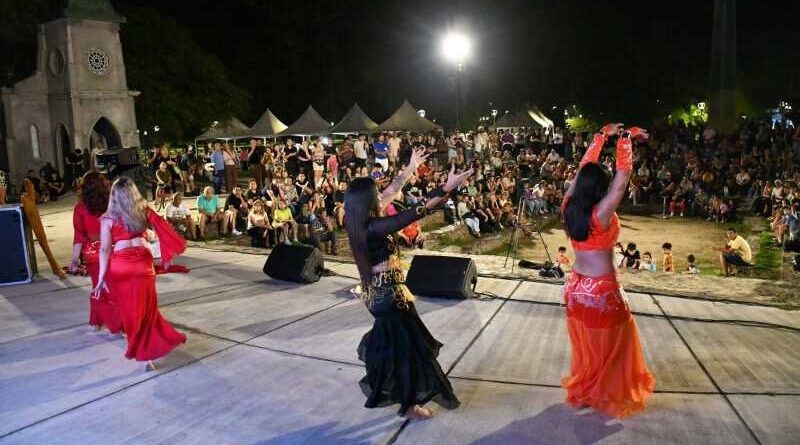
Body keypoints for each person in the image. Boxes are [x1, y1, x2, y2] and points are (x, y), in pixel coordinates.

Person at [345, 147, 471, 420]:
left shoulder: (358, 221)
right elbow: (415, 212)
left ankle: (397, 394)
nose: (382, 194)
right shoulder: (374, 227)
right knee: (408, 351)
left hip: (381, 296)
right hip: (391, 298)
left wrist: (411, 167)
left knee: (397, 347)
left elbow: (394, 188)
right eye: (376, 193)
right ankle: (408, 405)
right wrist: (445, 188)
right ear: (368, 201)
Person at [560, 123, 655, 417]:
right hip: (602, 289)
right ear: (600, 188)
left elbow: (583, 170)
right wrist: (625, 139)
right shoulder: (600, 214)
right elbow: (623, 178)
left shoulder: (568, 206)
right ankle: (604, 391)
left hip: (576, 288)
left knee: (588, 343)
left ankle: (589, 388)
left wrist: (601, 137)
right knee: (617, 345)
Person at [94, 177, 186, 371]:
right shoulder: (144, 210)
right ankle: (146, 357)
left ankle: (136, 345)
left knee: (129, 311)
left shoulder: (107, 218)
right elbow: (162, 226)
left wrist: (101, 277)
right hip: (143, 265)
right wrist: (167, 253)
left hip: (121, 267)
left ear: (113, 195)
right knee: (147, 311)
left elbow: (104, 249)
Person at [69, 171, 122, 334]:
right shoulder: (113, 204)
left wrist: (74, 259)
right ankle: (117, 322)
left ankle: (96, 321)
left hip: (93, 253)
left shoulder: (80, 208)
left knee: (98, 286)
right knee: (115, 287)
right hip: (113, 250)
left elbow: (79, 235)